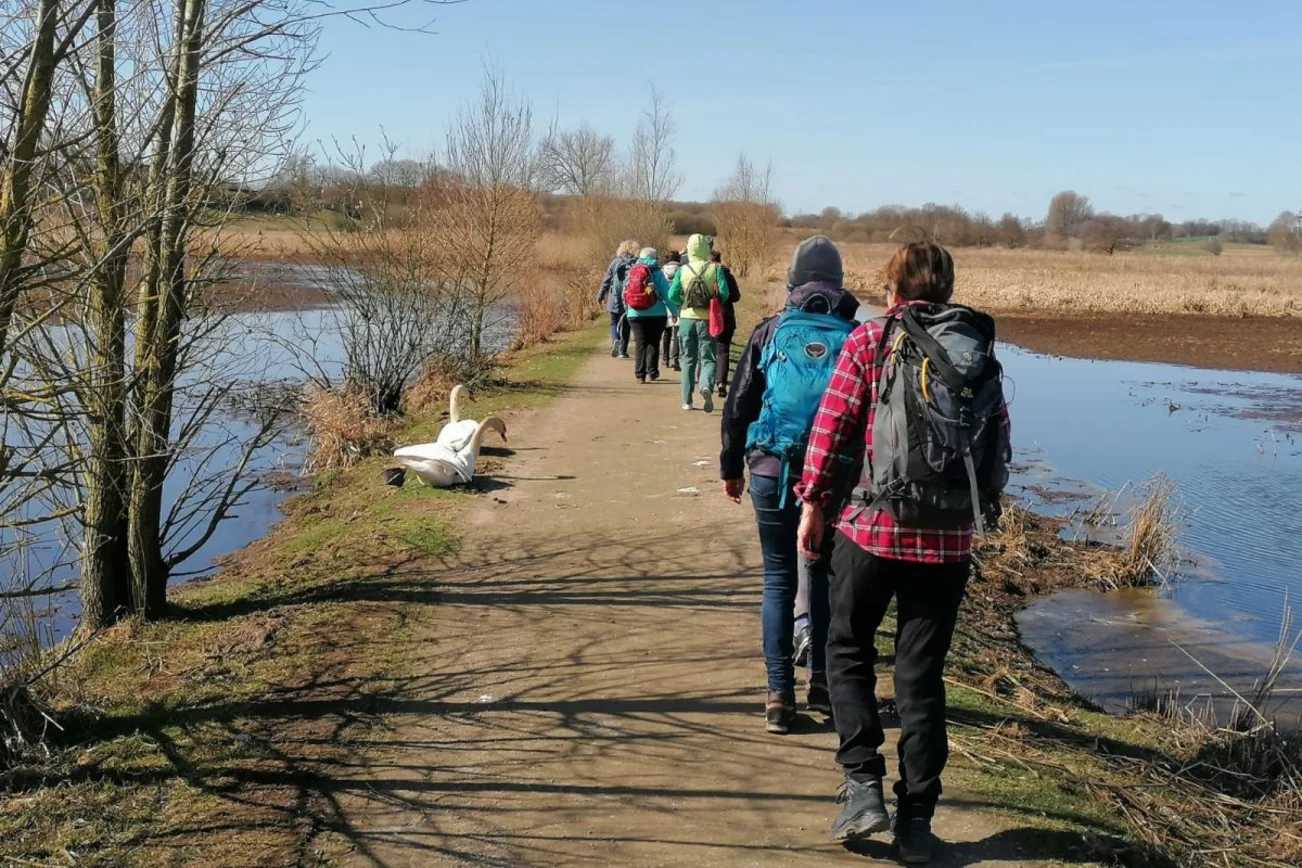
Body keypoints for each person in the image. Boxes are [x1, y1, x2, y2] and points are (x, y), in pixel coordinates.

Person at [795, 241, 1010, 862]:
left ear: (891, 289)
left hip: (871, 530)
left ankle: (862, 785)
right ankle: (917, 821)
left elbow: (831, 430)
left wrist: (813, 505)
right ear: (946, 288)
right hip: (947, 544)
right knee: (922, 678)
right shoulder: (973, 354)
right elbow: (997, 453)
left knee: (847, 649)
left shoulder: (870, 341)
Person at [720, 235, 860, 734]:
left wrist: (730, 467)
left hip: (770, 470)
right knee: (822, 576)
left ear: (793, 283)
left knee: (779, 579)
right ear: (839, 284)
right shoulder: (857, 336)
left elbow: (739, 405)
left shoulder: (770, 331)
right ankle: (821, 681)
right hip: (835, 476)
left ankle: (780, 697)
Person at [668, 233, 729, 412]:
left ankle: (687, 401)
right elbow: (724, 294)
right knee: (708, 358)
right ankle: (706, 386)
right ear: (706, 249)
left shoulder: (683, 269)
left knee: (688, 359)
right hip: (708, 320)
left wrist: (684, 302)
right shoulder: (715, 269)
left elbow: (672, 295)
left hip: (687, 318)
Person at [624, 247, 673, 384]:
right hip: (657, 313)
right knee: (654, 342)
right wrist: (674, 312)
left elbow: (625, 292)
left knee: (640, 343)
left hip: (635, 313)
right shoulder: (657, 272)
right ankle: (652, 372)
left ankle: (640, 374)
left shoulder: (632, 272)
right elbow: (666, 295)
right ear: (654, 258)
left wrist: (627, 310)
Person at [597, 240, 637, 359]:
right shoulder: (636, 262)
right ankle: (622, 351)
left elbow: (607, 280)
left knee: (614, 322)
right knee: (626, 324)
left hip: (615, 297)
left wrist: (600, 295)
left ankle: (615, 340)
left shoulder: (615, 262)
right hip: (630, 297)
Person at [710, 250, 741, 398]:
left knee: (708, 349)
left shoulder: (704, 274)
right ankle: (721, 382)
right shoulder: (727, 275)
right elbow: (736, 297)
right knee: (723, 350)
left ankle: (706, 381)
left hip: (708, 317)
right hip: (727, 317)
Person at [661, 251, 681, 371]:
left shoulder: (662, 271)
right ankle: (676, 359)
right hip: (678, 303)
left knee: (666, 332)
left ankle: (665, 359)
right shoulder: (682, 270)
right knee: (677, 333)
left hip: (665, 304)